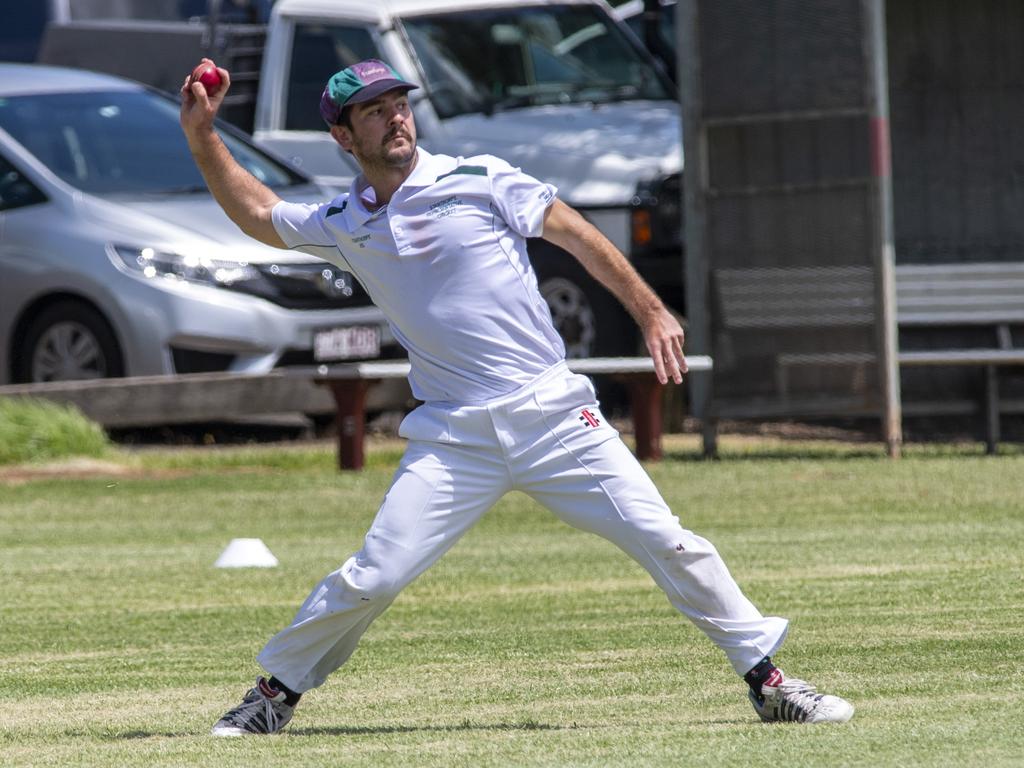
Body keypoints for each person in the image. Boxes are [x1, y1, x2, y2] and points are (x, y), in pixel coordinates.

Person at [179, 58, 854, 736]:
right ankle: (273, 696)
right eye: (375, 110)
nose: (396, 117)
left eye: (400, 103)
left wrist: (649, 311)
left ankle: (770, 683)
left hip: (556, 416)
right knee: (373, 576)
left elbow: (578, 235)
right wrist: (203, 134)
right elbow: (260, 212)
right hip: (453, 436)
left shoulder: (479, 177)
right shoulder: (343, 220)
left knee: (668, 540)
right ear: (345, 137)